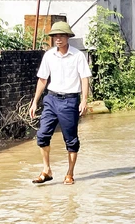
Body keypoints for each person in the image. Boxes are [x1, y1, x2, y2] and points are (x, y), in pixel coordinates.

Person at [29, 21, 92, 185]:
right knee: (42, 135)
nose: (58, 39)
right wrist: (35, 101)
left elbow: (84, 78)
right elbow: (42, 79)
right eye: (55, 36)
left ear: (68, 37)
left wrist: (84, 100)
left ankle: (70, 173)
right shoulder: (49, 55)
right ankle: (46, 170)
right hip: (51, 99)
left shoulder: (77, 55)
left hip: (70, 100)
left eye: (61, 35)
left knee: (71, 140)